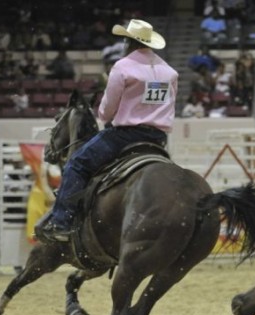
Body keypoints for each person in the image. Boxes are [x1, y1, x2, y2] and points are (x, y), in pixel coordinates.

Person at [36, 19, 178, 243]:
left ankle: (62, 222)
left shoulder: (123, 67)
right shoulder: (169, 72)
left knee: (77, 164)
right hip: (158, 139)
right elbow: (170, 104)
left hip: (125, 136)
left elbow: (107, 110)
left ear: (128, 41)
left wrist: (104, 116)